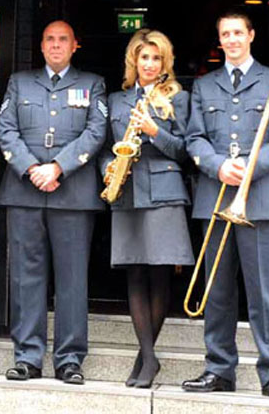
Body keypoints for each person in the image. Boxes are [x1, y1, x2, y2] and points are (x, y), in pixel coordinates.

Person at [183, 11, 269, 401]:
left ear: (251, 35)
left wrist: (253, 166)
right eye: (225, 34)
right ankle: (219, 369)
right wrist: (218, 165)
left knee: (264, 292)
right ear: (219, 40)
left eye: (238, 32)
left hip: (263, 200)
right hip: (216, 198)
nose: (232, 39)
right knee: (216, 291)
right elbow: (193, 139)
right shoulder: (204, 85)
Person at [0, 20, 107, 385]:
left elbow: (96, 133)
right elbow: (6, 131)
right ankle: (27, 357)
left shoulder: (92, 84)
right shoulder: (19, 82)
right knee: (26, 278)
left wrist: (58, 167)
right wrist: (32, 168)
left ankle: (69, 359)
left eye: (63, 40)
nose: (56, 45)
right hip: (25, 192)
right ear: (41, 45)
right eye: (50, 40)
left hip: (72, 195)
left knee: (72, 281)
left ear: (75, 45)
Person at [100, 29, 194, 389]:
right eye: (144, 58)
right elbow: (105, 146)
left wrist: (155, 130)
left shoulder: (178, 99)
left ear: (164, 62)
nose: (150, 64)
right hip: (126, 191)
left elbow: (185, 151)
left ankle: (146, 359)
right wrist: (108, 169)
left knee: (159, 274)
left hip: (164, 192)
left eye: (157, 58)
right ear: (134, 61)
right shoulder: (117, 99)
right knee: (134, 273)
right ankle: (149, 357)